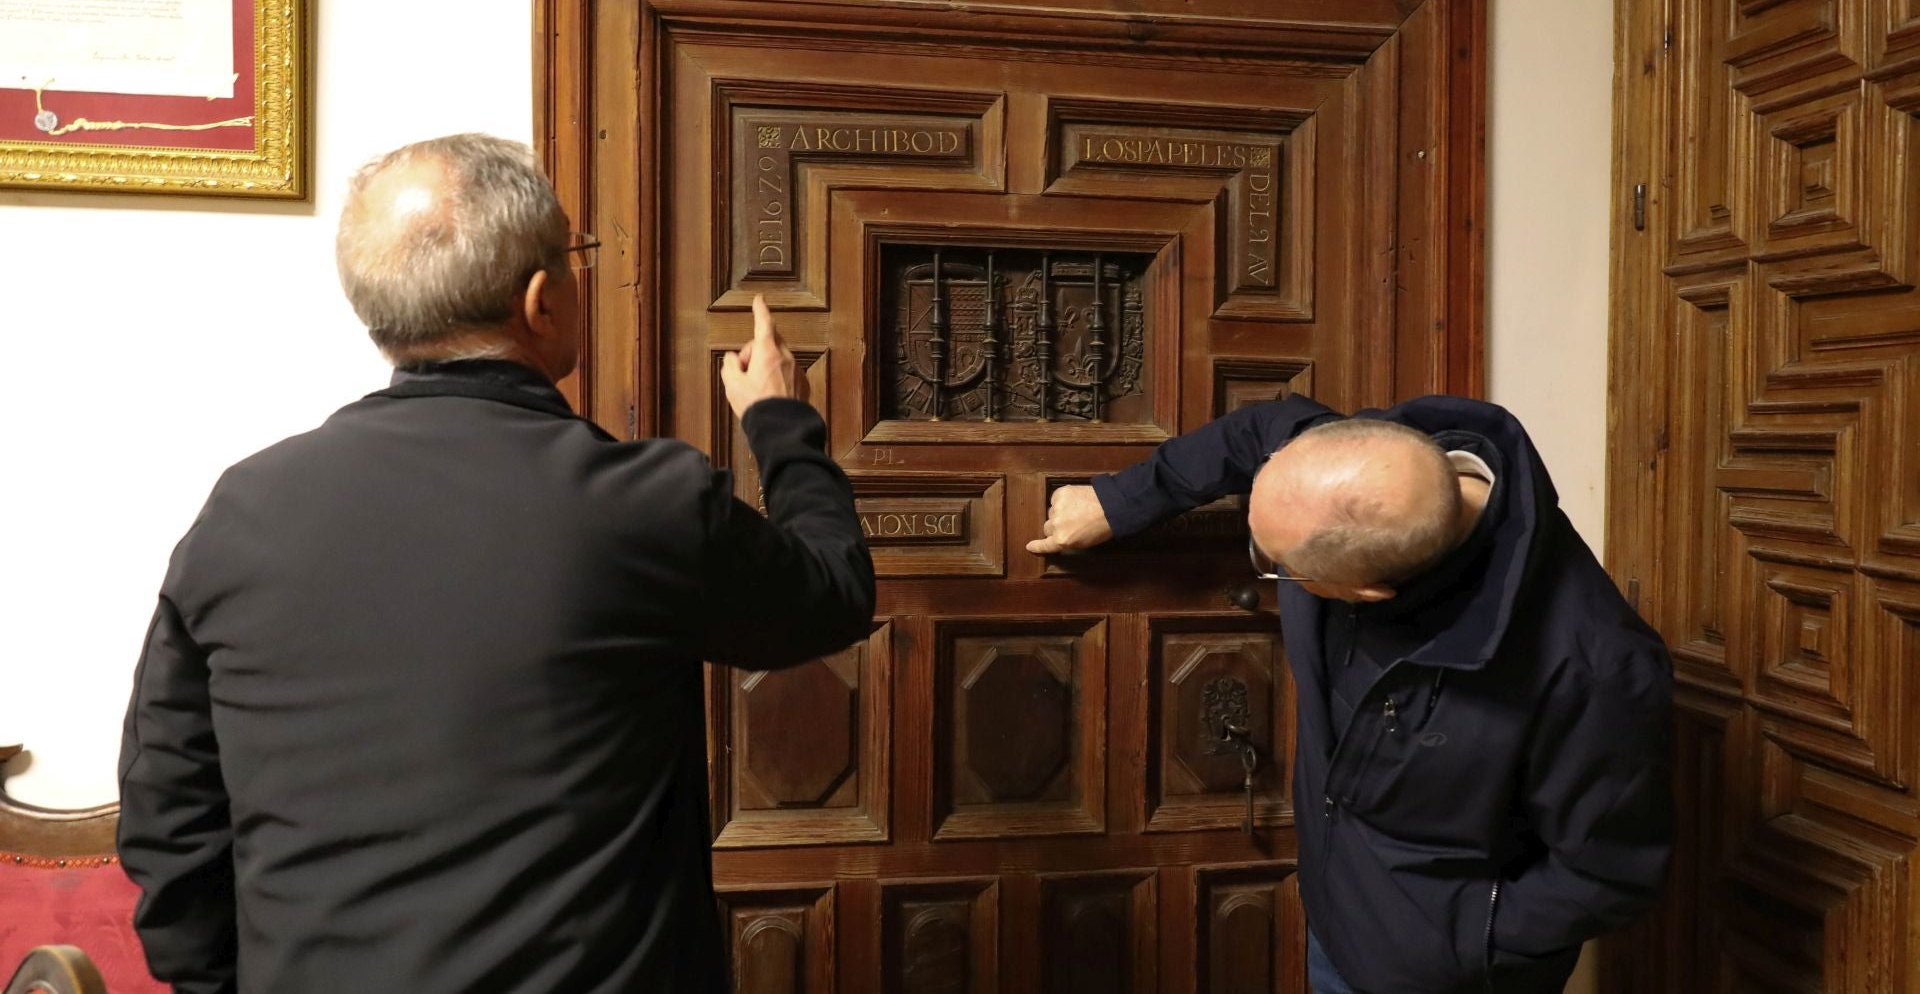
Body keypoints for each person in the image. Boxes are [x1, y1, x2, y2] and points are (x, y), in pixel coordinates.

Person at [116, 133, 875, 993]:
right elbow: (834, 592)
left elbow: (169, 812)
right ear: (542, 301)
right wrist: (778, 420)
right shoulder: (642, 504)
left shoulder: (241, 510)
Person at [1028, 394, 1672, 994]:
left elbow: (1608, 876)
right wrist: (1121, 500)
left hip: (1437, 976)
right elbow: (1257, 430)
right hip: (1338, 922)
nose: (1269, 568)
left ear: (1364, 594)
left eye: (1278, 566)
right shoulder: (1366, 463)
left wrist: (1445, 943)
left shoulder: (1595, 670)